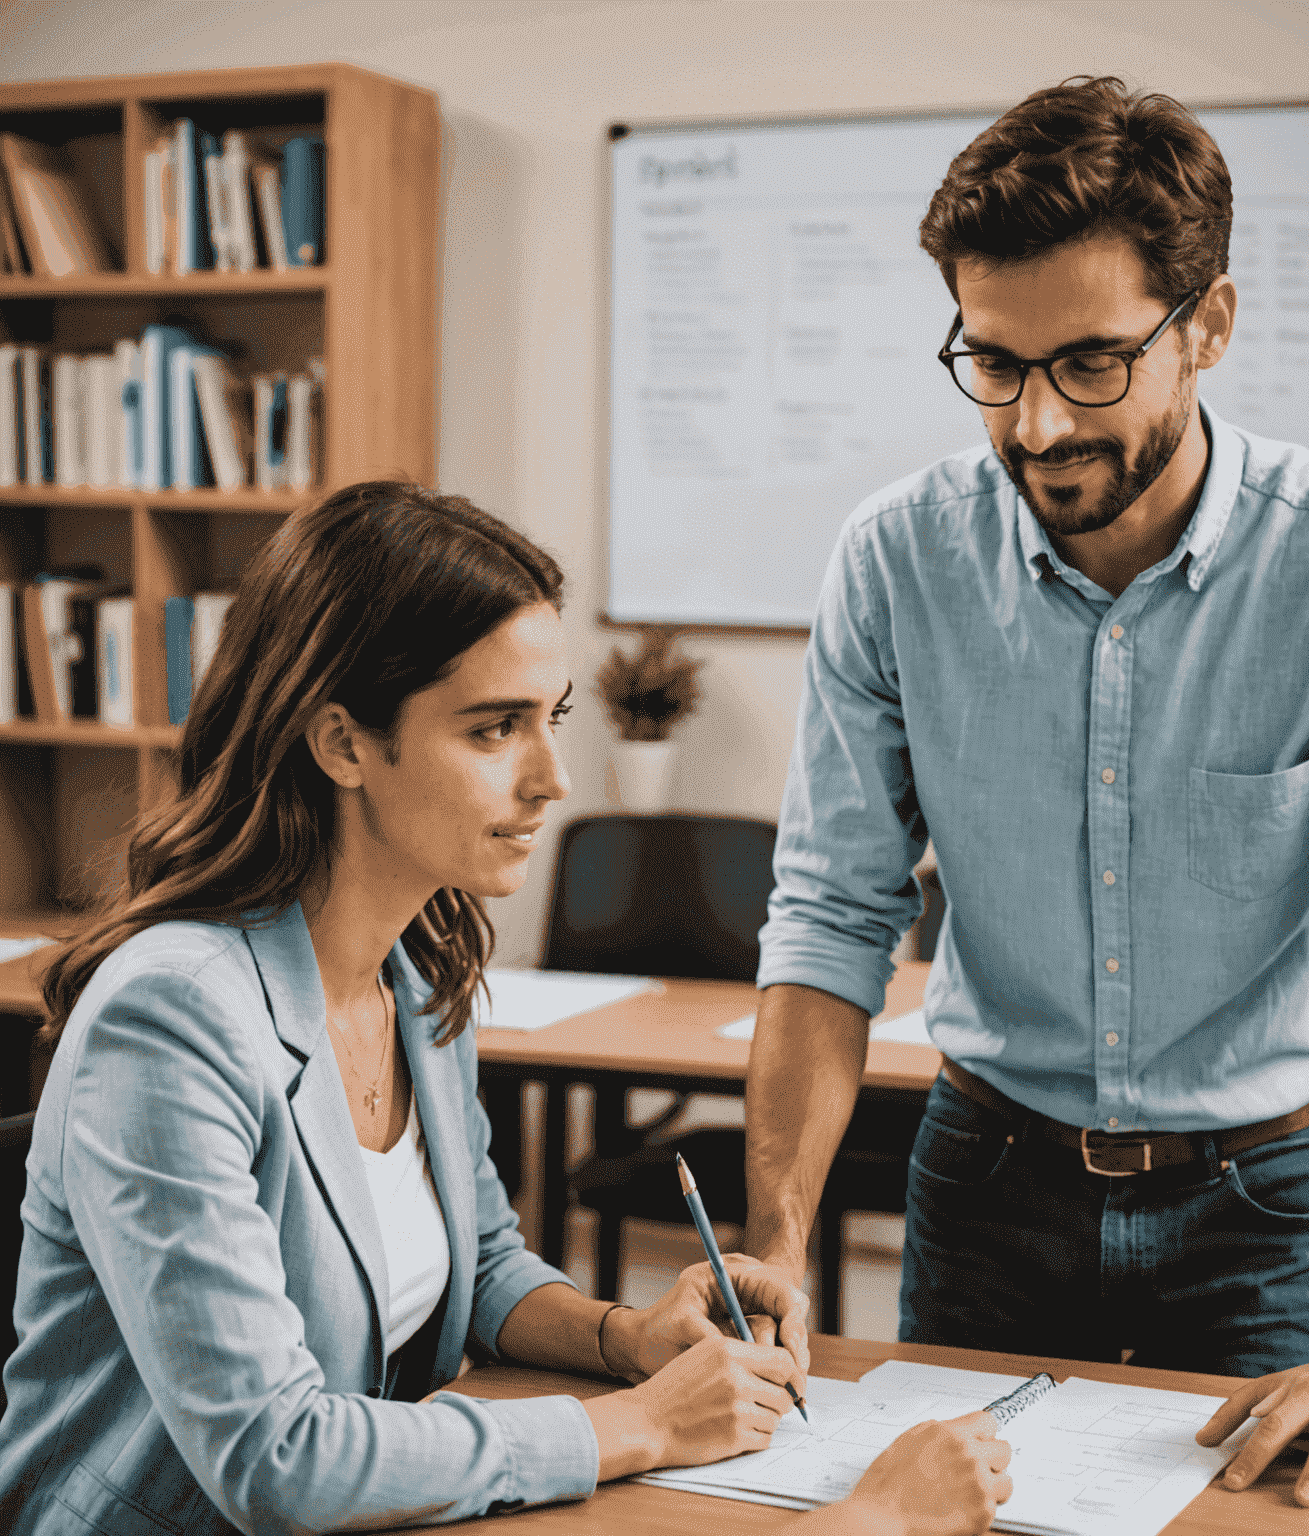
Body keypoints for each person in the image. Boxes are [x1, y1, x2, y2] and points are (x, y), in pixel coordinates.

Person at [744, 76, 1309, 1511]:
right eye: (994, 362)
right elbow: (829, 918)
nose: (1037, 425)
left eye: (1093, 362)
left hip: (1263, 1205)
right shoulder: (894, 562)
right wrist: (778, 1245)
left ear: (1206, 324)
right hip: (982, 1178)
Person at [0, 481, 1011, 1535]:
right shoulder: (171, 1017)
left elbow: (477, 1269)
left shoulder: (416, 974)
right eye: (495, 731)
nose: (553, 779)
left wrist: (629, 1339)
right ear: (341, 743)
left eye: (552, 719)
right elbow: (273, 1455)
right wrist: (642, 1426)